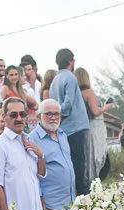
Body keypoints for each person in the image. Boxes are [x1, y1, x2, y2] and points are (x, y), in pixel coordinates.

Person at [50, 48, 91, 196]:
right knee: (79, 161)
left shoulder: (55, 80)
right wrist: (61, 114)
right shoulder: (71, 78)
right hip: (74, 126)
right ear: (70, 61)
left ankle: (73, 190)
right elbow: (68, 103)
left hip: (63, 128)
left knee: (69, 161)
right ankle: (82, 192)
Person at [74, 67, 112, 183]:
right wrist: (106, 107)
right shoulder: (88, 92)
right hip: (95, 127)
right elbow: (95, 111)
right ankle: (95, 180)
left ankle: (89, 180)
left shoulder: (76, 94)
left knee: (88, 156)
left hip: (84, 127)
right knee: (98, 156)